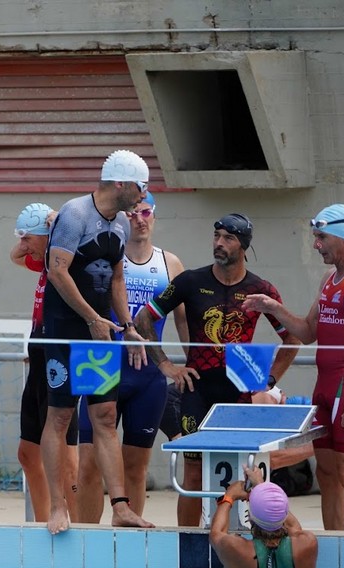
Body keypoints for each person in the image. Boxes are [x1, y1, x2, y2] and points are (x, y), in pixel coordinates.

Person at [134, 212, 300, 526]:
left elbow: (291, 338)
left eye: (228, 238)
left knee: (240, 472)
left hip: (238, 393)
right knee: (193, 472)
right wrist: (166, 364)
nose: (219, 243)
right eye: (216, 236)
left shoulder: (260, 290)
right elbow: (145, 318)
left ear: (243, 245)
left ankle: (239, 536)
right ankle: (188, 544)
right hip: (197, 390)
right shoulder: (190, 282)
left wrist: (271, 379)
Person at [242, 204, 344, 531]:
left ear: (343, 236)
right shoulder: (328, 280)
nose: (316, 245)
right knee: (327, 473)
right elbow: (307, 333)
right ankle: (335, 543)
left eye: (321, 237)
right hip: (325, 386)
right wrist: (273, 307)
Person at [39, 149, 154, 534]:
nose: (143, 196)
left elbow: (117, 280)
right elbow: (57, 272)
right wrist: (90, 318)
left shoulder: (119, 223)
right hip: (64, 333)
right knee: (61, 417)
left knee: (105, 417)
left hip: (100, 332)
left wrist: (127, 325)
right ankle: (58, 507)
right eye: (140, 187)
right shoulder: (75, 215)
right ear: (119, 183)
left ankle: (120, 506)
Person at [76, 192, 187, 522]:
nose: (140, 219)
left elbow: (183, 318)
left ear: (154, 216)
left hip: (147, 375)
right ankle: (86, 540)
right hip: (100, 365)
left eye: (146, 212)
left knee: (136, 468)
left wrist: (193, 362)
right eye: (133, 213)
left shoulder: (170, 264)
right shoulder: (104, 257)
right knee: (88, 464)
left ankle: (127, 541)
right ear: (121, 217)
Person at [9, 202, 78, 523]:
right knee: (27, 453)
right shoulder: (44, 263)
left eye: (27, 238)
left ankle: (78, 525)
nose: (23, 246)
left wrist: (60, 225)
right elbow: (16, 256)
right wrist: (32, 234)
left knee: (67, 456)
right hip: (38, 354)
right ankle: (40, 524)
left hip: (61, 356)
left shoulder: (68, 265)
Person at [210, 465, 316, 568]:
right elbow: (293, 526)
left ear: (250, 516)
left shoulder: (237, 548)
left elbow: (216, 534)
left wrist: (229, 496)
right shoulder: (308, 542)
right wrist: (260, 486)